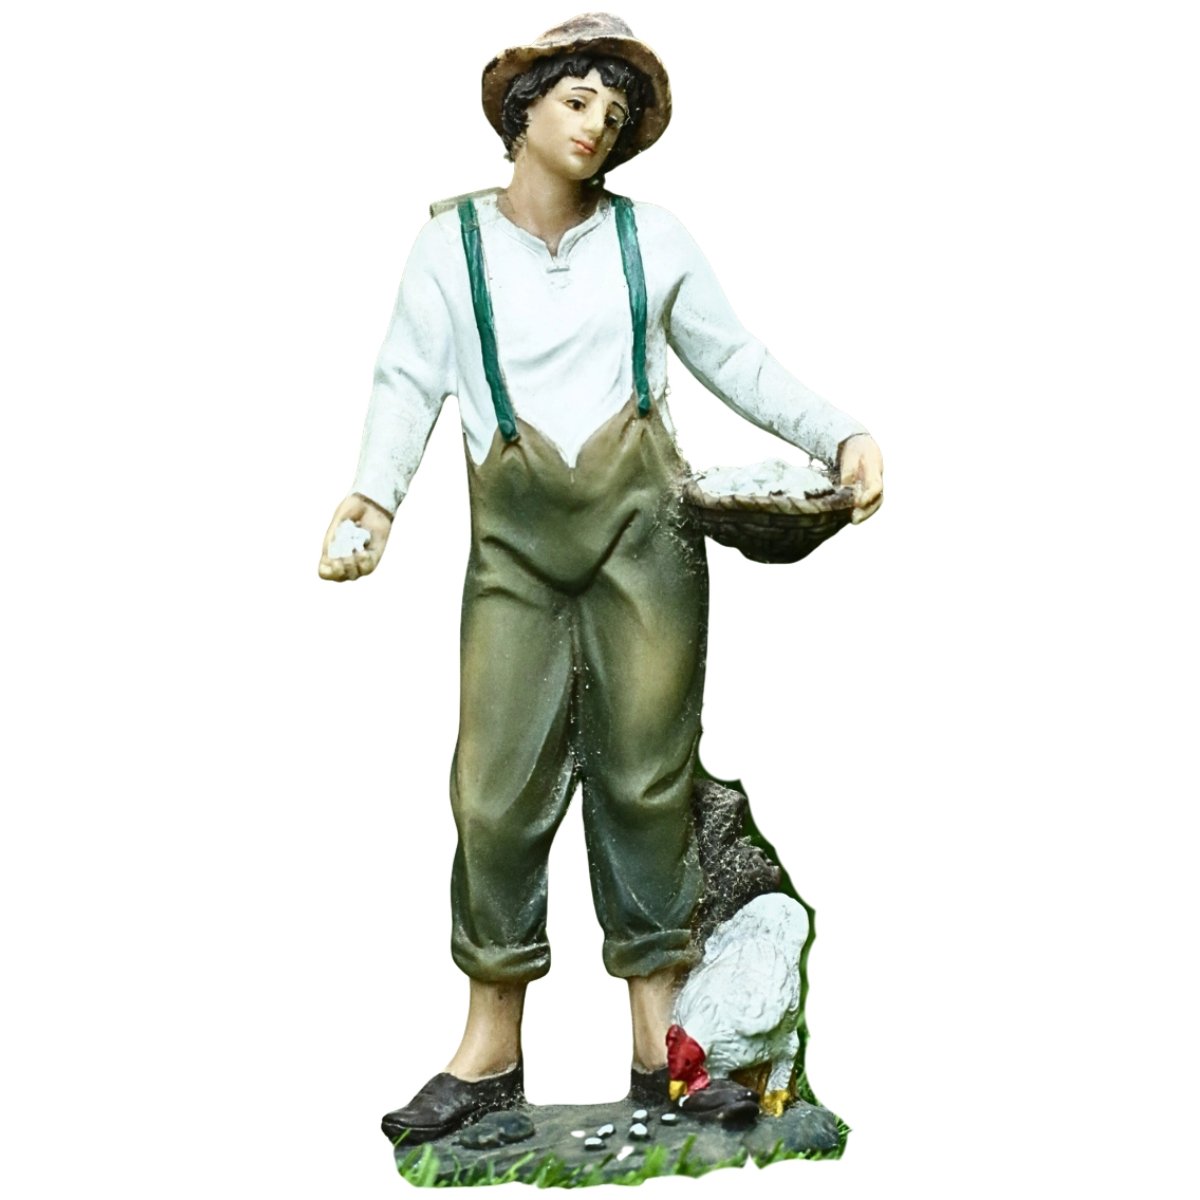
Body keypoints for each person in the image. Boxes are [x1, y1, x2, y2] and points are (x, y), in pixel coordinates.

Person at [317, 14, 883, 1144]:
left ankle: (664, 1051)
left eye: (615, 115)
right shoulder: (450, 248)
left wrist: (838, 433)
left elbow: (733, 356)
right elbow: (404, 379)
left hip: (645, 548)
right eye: (577, 101)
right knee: (492, 791)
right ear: (522, 108)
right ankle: (488, 1052)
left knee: (646, 784)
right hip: (514, 557)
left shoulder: (650, 238)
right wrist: (372, 499)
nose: (596, 126)